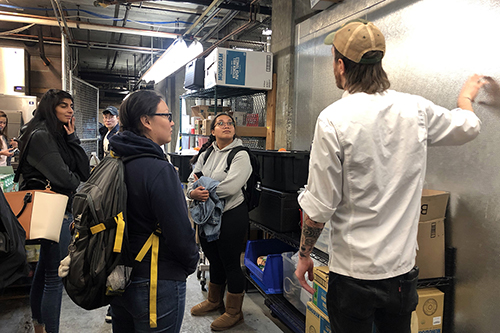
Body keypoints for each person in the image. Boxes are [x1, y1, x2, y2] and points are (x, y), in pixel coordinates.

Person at [294, 19, 487, 333]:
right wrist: (466, 99)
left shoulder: (333, 120)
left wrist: (304, 255)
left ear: (340, 66)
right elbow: (468, 127)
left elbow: (319, 207)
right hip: (400, 274)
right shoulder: (415, 110)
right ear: (378, 64)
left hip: (353, 275)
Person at [108, 90, 199, 333]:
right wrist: (191, 262)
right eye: (167, 115)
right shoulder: (158, 169)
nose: (171, 122)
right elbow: (180, 232)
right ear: (146, 121)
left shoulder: (115, 161)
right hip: (157, 280)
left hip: (118, 276)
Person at [17, 89, 90, 333]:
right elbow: (66, 178)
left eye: (71, 105)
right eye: (63, 106)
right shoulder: (40, 135)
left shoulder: (56, 134)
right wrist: (85, 190)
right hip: (54, 209)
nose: (70, 110)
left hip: (56, 208)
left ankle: (40, 327)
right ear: (51, 108)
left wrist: (72, 139)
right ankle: (49, 329)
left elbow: (82, 171)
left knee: (45, 271)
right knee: (54, 277)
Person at [187, 113, 252, 331]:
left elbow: (232, 187)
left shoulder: (240, 155)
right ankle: (215, 302)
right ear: (212, 130)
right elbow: (193, 178)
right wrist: (193, 191)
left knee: (230, 261)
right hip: (208, 214)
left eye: (230, 123)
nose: (226, 126)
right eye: (220, 123)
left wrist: (203, 191)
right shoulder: (207, 152)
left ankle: (235, 312)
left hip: (232, 214)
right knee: (214, 257)